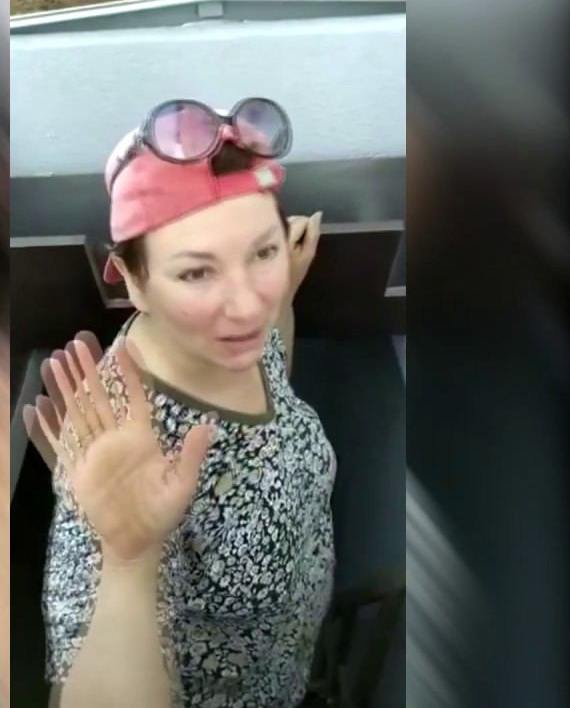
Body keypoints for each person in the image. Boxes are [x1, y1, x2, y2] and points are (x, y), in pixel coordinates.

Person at [22, 97, 335, 708]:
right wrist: (128, 562)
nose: (248, 305)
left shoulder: (240, 336)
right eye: (196, 273)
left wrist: (286, 299)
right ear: (133, 280)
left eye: (262, 251)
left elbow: (275, 374)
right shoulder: (117, 443)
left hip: (286, 646)